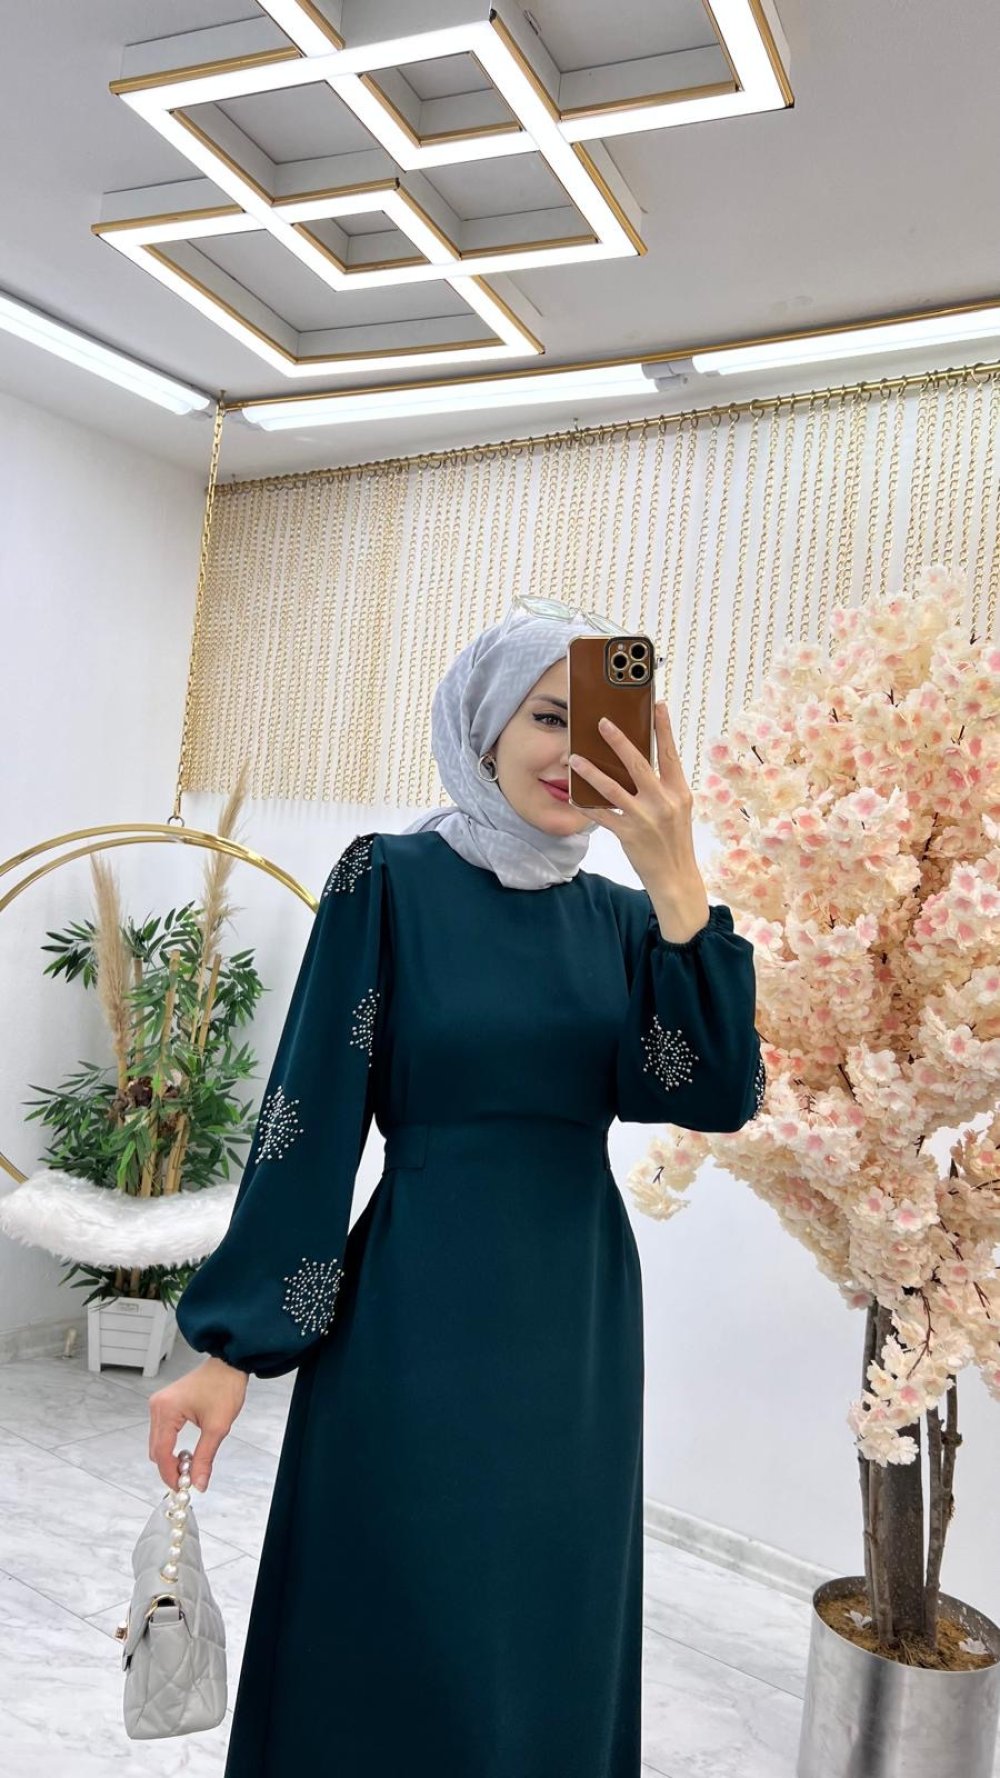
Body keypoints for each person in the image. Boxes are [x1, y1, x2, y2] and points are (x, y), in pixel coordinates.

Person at [149, 610, 765, 1777]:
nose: (572, 752)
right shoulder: (390, 880)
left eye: (603, 728)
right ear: (484, 729)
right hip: (416, 1312)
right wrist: (230, 1347)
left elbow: (715, 1091)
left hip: (575, 1328)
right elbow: (309, 1116)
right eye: (547, 717)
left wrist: (677, 876)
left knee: (543, 1622)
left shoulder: (627, 920)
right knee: (403, 1605)